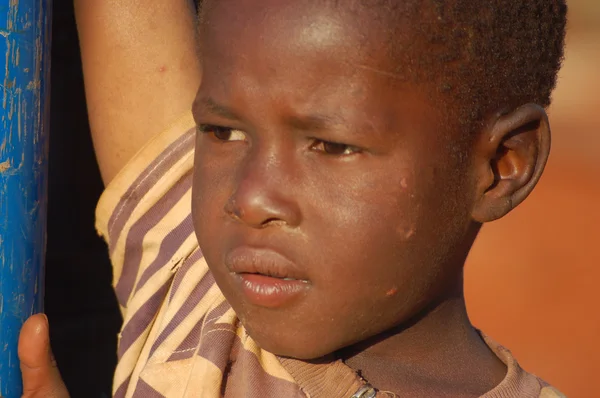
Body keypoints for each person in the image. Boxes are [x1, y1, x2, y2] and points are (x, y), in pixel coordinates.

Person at [17, 0, 569, 397]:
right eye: (222, 132)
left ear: (501, 167)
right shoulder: (193, 296)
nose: (251, 199)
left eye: (330, 145)